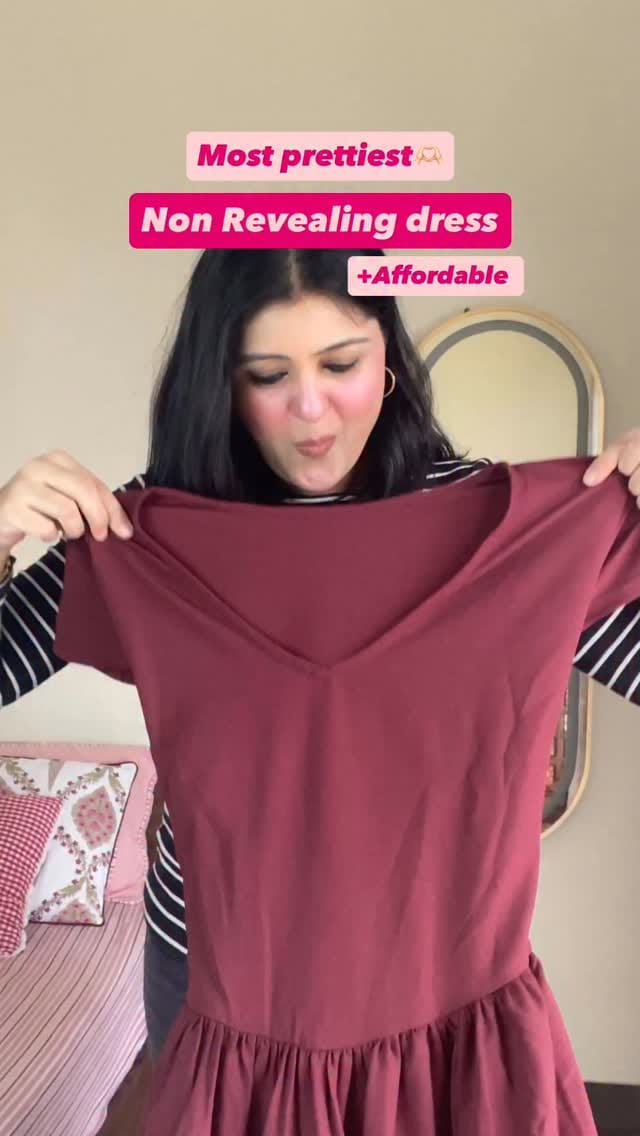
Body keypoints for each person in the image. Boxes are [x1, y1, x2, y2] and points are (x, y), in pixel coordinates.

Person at [2, 248, 640, 1129]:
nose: (311, 409)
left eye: (341, 364)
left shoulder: (511, 539)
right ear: (221, 382)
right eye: (269, 375)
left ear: (389, 360)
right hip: (215, 978)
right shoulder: (149, 538)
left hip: (441, 991)